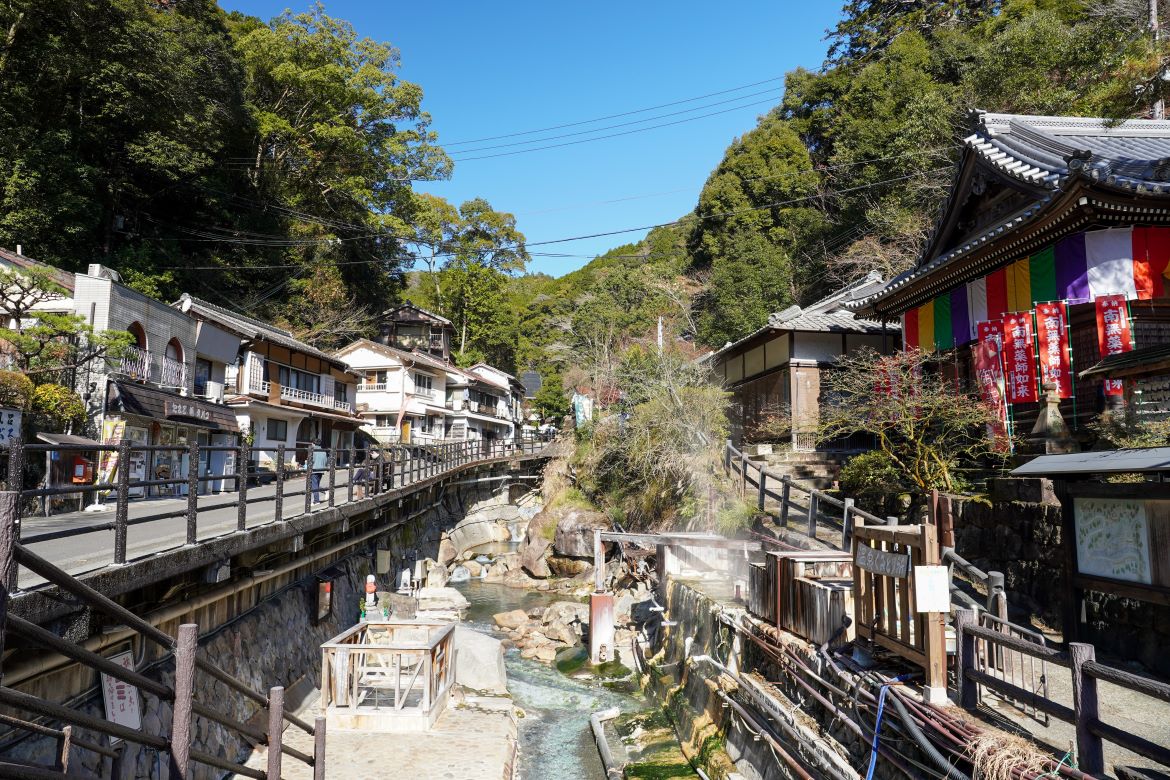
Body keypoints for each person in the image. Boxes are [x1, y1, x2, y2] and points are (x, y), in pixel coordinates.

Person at [309, 438, 328, 504]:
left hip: (314, 470)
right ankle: (324, 491)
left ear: (313, 443)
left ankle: (316, 501)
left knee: (314, 485)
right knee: (315, 485)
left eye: (312, 443)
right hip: (321, 470)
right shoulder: (324, 451)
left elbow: (311, 461)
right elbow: (326, 462)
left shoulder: (313, 451)